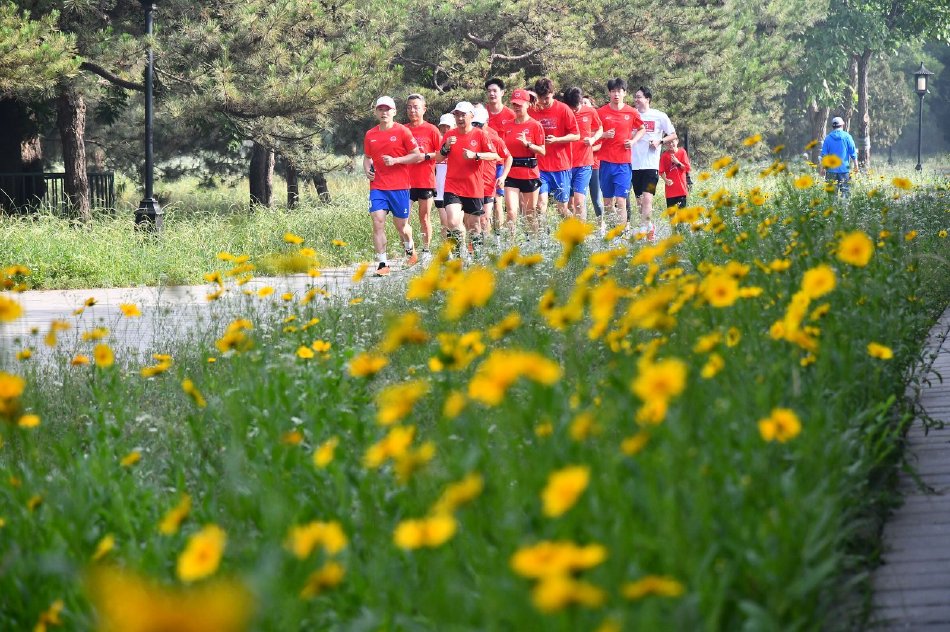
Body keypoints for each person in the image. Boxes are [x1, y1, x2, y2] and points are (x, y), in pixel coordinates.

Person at [363, 96, 423, 277]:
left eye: (387, 109)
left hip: (400, 187)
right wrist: (367, 170)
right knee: (377, 221)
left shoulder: (403, 132)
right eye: (380, 109)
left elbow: (417, 155)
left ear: (394, 112)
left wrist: (396, 160)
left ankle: (410, 248)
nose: (384, 112)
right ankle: (383, 263)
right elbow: (367, 157)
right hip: (378, 186)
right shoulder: (370, 134)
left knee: (402, 226)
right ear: (376, 112)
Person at [441, 101, 500, 258]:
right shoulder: (449, 135)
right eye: (457, 115)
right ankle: (460, 255)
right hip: (452, 185)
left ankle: (478, 257)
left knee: (474, 225)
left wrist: (476, 155)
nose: (460, 118)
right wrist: (445, 147)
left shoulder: (480, 134)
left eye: (463, 115)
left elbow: (495, 155)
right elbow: (438, 157)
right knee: (453, 222)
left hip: (473, 186)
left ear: (471, 116)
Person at [597, 78, 645, 232]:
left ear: (625, 93)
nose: (616, 94)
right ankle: (613, 231)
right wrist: (603, 134)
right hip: (605, 162)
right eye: (613, 91)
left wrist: (633, 141)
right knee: (607, 202)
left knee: (621, 200)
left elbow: (642, 129)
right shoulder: (601, 112)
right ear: (609, 93)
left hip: (623, 163)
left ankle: (622, 234)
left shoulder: (631, 112)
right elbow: (592, 132)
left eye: (619, 91)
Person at [529, 77, 579, 221]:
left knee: (561, 208)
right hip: (540, 166)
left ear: (553, 93)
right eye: (541, 98)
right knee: (540, 205)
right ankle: (542, 238)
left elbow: (576, 135)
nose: (544, 102)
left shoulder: (563, 109)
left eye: (547, 98)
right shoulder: (533, 110)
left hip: (560, 166)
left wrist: (558, 139)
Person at [630, 86, 676, 240]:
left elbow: (673, 135)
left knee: (648, 198)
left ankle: (644, 229)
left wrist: (659, 141)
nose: (636, 99)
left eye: (639, 97)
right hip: (634, 165)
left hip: (651, 165)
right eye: (635, 97)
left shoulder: (659, 116)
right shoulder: (631, 114)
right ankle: (650, 227)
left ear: (647, 99)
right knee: (639, 202)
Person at [502, 88, 546, 237]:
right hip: (511, 173)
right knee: (511, 212)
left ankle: (533, 243)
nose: (517, 107)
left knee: (529, 213)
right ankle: (510, 245)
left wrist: (528, 144)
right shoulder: (507, 125)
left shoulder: (535, 125)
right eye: (514, 104)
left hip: (529, 172)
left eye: (520, 104)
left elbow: (543, 151)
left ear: (527, 104)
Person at [404, 94, 442, 260]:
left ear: (424, 109)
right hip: (405, 181)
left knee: (424, 217)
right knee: (402, 218)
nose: (412, 110)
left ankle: (426, 251)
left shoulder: (431, 130)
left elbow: (442, 154)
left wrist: (425, 156)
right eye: (409, 107)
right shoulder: (402, 129)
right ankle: (409, 250)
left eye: (416, 107)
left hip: (425, 181)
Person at [473, 104, 512, 250]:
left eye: (479, 124)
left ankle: (487, 248)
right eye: (474, 124)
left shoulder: (494, 138)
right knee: (470, 221)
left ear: (486, 123)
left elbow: (508, 157)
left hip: (488, 182)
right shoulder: (465, 135)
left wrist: (503, 176)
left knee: (485, 218)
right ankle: (473, 250)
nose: (476, 127)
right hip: (469, 184)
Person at [563, 87, 602, 221]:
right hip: (565, 164)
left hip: (584, 163)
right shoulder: (564, 112)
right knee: (566, 204)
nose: (573, 111)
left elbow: (600, 129)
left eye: (575, 108)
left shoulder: (590, 112)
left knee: (579, 202)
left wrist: (593, 139)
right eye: (570, 108)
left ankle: (581, 237)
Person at [819, 116, 858, 197]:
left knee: (832, 196)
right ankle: (844, 209)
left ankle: (833, 209)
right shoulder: (847, 137)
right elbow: (853, 153)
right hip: (844, 170)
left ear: (833, 126)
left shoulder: (828, 138)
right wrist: (856, 166)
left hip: (830, 171)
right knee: (845, 194)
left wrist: (822, 169)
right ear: (842, 125)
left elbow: (824, 155)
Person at [584, 95, 606, 231]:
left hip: (594, 165)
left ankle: (601, 225)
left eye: (585, 102)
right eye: (581, 102)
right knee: (581, 198)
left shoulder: (597, 125)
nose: (582, 104)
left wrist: (588, 148)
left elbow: (600, 145)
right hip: (580, 165)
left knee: (596, 198)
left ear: (592, 105)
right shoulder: (580, 122)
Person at [434, 113, 456, 240]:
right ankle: (447, 251)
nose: (445, 129)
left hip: (456, 189)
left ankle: (463, 249)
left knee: (457, 222)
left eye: (447, 126)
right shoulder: (437, 143)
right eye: (442, 126)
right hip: (440, 190)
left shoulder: (459, 141)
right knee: (444, 223)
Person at [658, 136, 691, 212]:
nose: (670, 144)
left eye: (672, 142)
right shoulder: (664, 156)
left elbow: (687, 168)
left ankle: (682, 224)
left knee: (681, 216)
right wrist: (665, 180)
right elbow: (661, 171)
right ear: (665, 144)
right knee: (672, 216)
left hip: (681, 190)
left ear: (677, 141)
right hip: (670, 191)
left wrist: (678, 163)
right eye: (668, 142)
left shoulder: (682, 152)